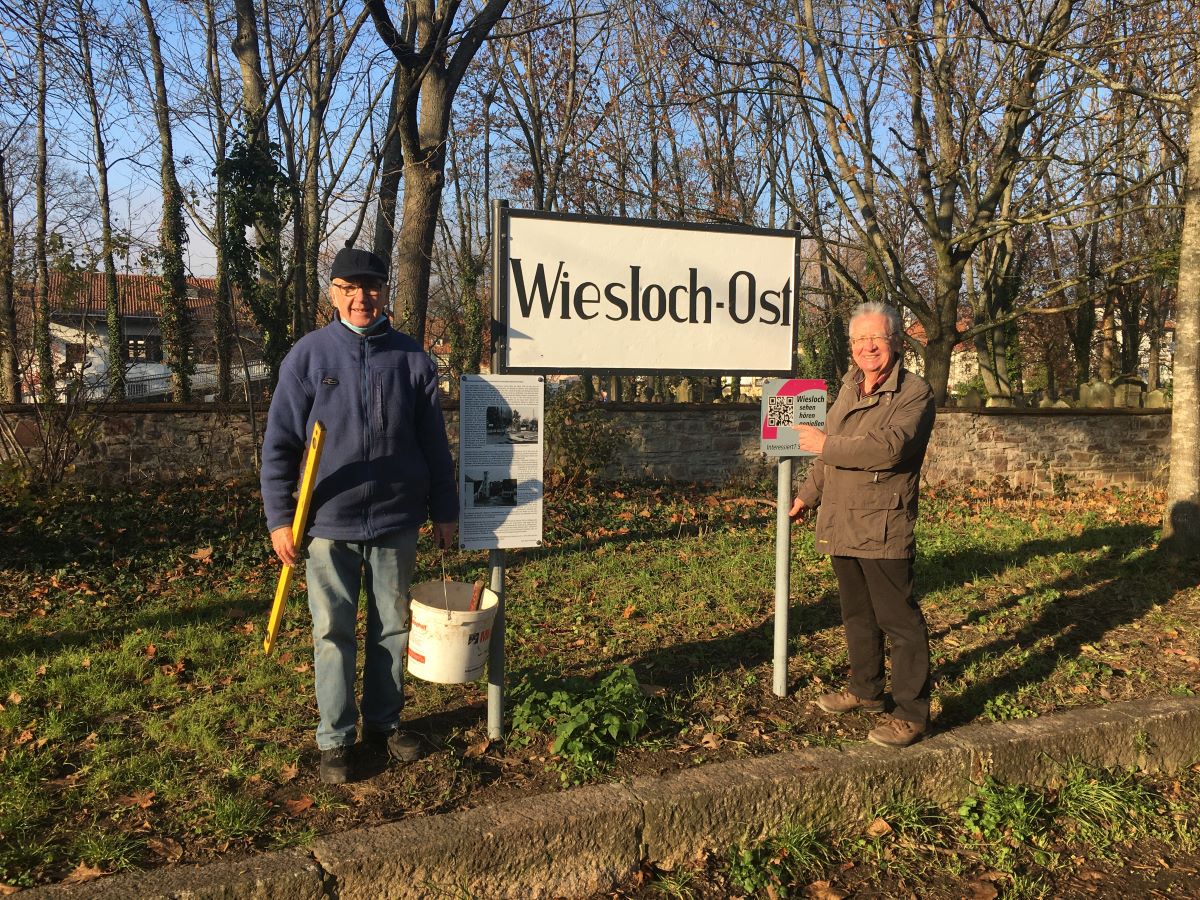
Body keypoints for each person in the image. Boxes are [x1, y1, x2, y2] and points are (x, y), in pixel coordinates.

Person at [261, 246, 458, 784]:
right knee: (332, 632)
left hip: (397, 520)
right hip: (325, 523)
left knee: (392, 628)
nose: (360, 298)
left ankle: (386, 723)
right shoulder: (308, 357)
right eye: (348, 288)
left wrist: (445, 509)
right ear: (333, 294)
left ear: (384, 292)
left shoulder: (413, 359)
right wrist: (280, 519)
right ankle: (336, 738)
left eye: (370, 287)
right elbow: (279, 445)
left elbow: (434, 445)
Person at [789, 301, 936, 748]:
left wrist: (827, 444)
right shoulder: (850, 387)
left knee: (899, 620)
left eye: (876, 338)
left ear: (895, 341)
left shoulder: (915, 393)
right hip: (840, 518)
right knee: (857, 614)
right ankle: (866, 690)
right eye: (859, 340)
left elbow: (889, 448)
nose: (867, 347)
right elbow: (826, 457)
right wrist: (805, 495)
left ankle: (911, 712)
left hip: (882, 522)